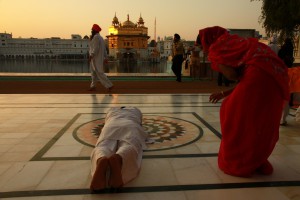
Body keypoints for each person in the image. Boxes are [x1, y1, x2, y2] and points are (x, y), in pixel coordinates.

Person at [196, 26, 289, 177]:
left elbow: (234, 75)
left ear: (207, 42)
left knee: (232, 113)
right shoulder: (234, 42)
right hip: (275, 75)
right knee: (260, 119)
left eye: (202, 47)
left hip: (259, 76)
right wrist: (224, 93)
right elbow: (249, 75)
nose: (204, 51)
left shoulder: (217, 49)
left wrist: (220, 63)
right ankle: (258, 160)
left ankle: (238, 163)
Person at [90, 106, 148, 191]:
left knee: (103, 146)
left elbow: (106, 121)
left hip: (110, 125)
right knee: (129, 145)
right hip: (130, 125)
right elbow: (140, 123)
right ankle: (119, 157)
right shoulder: (136, 110)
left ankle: (101, 158)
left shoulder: (111, 110)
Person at [89, 24, 114, 92]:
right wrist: (105, 57)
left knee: (99, 73)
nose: (91, 31)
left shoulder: (96, 38)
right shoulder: (101, 38)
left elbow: (95, 48)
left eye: (92, 30)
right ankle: (93, 86)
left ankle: (109, 85)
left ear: (94, 31)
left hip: (95, 58)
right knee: (93, 73)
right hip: (96, 58)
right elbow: (104, 49)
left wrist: (91, 55)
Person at [278, 38, 295, 125]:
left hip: (283, 71)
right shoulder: (291, 47)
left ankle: (281, 120)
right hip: (290, 70)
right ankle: (283, 120)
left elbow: (279, 56)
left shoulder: (283, 49)